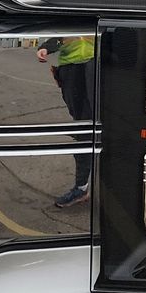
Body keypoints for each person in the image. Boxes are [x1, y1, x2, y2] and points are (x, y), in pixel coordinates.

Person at [39, 36, 95, 205]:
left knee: (99, 125)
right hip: (71, 69)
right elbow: (60, 32)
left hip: (97, 65)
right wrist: (46, 47)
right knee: (82, 128)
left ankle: (85, 185)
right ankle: (82, 186)